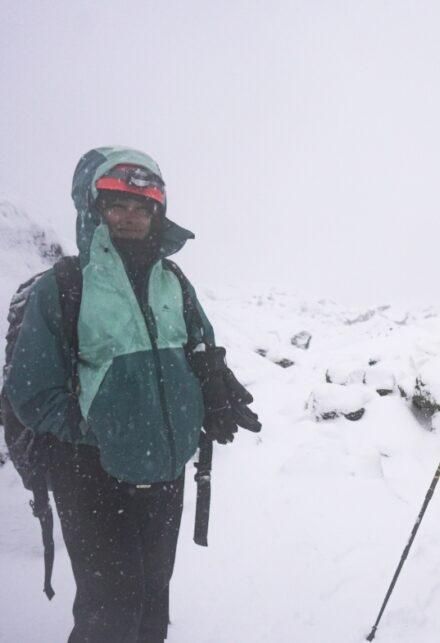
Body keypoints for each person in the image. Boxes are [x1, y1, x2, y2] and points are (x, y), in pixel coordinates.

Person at [4, 146, 261, 642]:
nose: (129, 216)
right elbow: (30, 392)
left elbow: (199, 343)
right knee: (110, 612)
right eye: (116, 204)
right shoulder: (65, 286)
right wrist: (97, 430)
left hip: (165, 471)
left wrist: (210, 386)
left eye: (142, 207)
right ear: (93, 208)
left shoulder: (173, 281)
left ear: (156, 213)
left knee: (152, 595)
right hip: (90, 473)